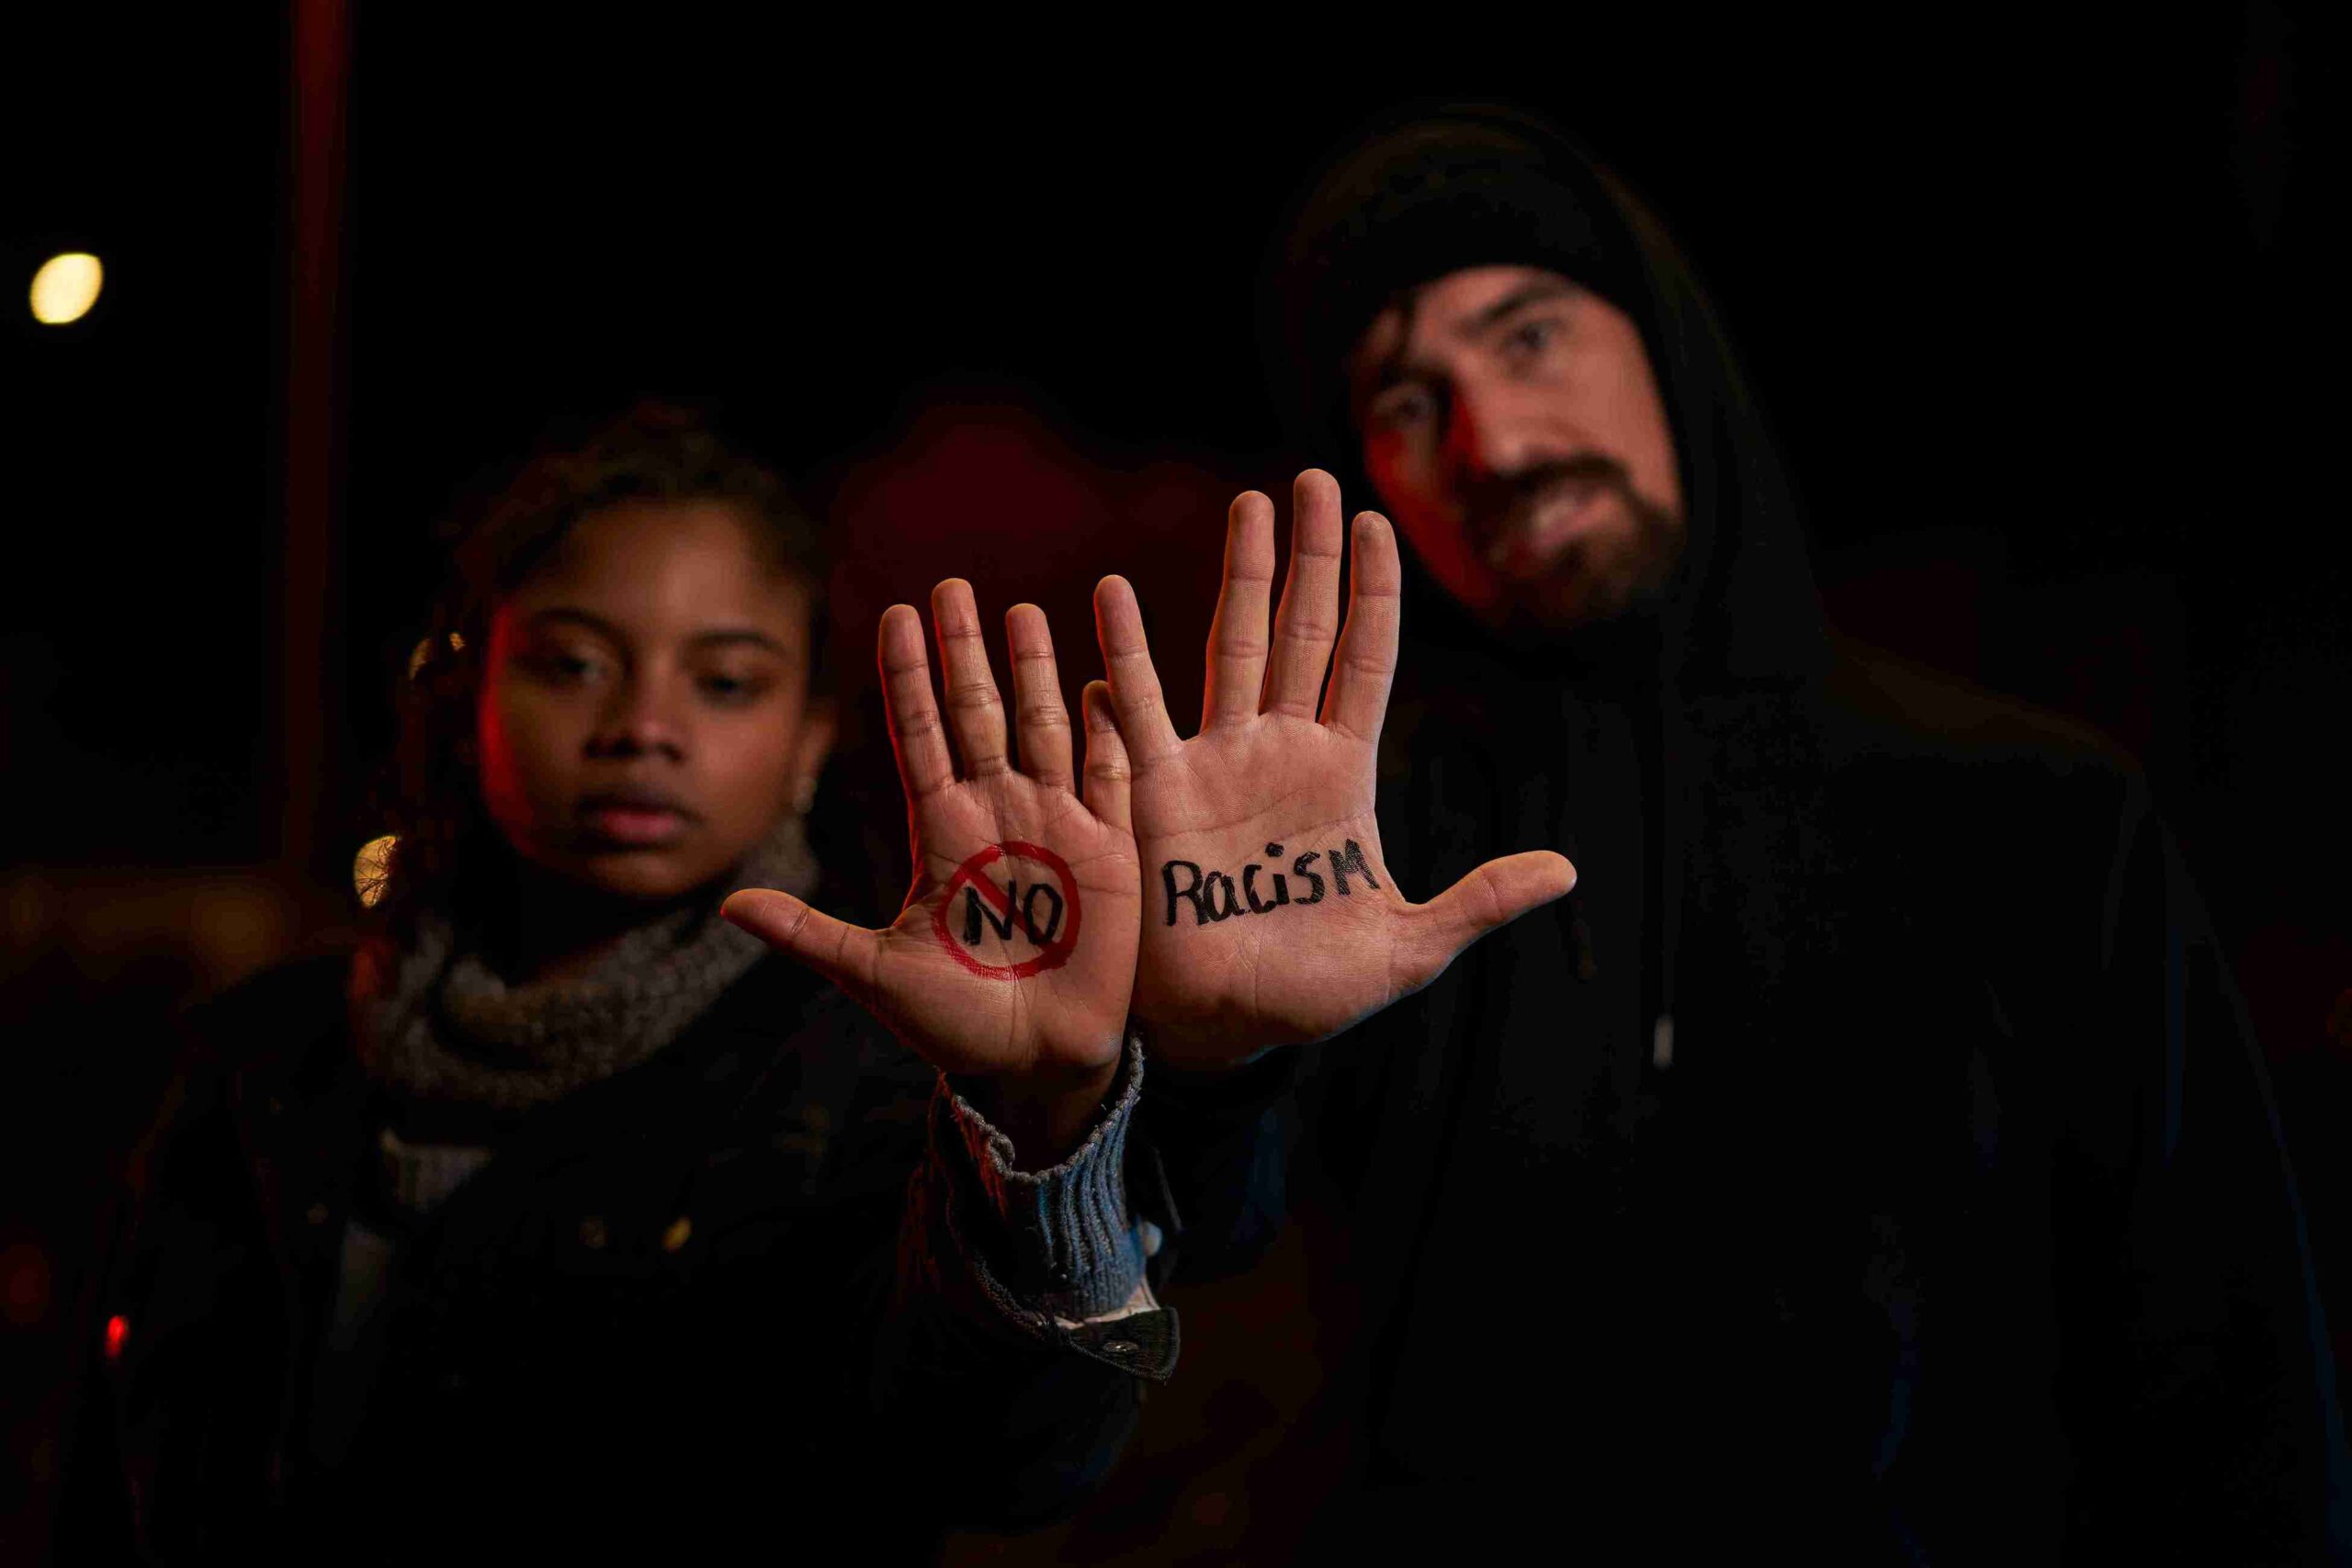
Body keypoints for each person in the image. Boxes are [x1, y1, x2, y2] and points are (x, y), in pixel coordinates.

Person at [895, 106, 2346, 1560]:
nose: (1495, 442)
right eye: (1404, 399)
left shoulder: (2037, 815)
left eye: (1528, 336)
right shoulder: (1353, 871)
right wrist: (1192, 1079)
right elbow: (1059, 1437)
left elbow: (2223, 1391)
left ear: (1670, 346)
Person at [57, 407, 1267, 1563]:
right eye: (574, 663)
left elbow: (1006, 1462)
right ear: (468, 691)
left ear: (808, 739)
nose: (643, 726)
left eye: (726, 681)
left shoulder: (876, 1070)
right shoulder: (263, 1058)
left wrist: (1046, 1124)